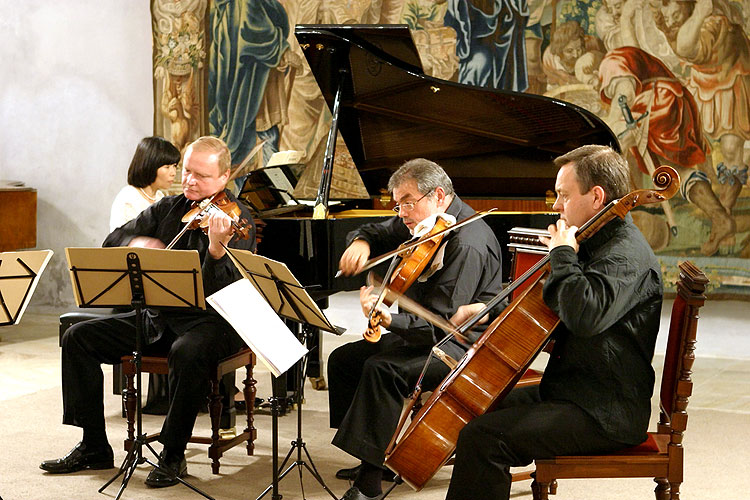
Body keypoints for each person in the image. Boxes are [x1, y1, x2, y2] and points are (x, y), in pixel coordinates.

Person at [445, 145, 663, 500]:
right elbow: (554, 308)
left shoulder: (624, 256)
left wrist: (562, 254)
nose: (556, 206)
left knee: (485, 438)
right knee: (477, 410)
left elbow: (583, 314)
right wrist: (490, 311)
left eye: (563, 195)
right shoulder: (596, 242)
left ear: (596, 197)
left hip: (604, 411)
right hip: (574, 391)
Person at [40, 136, 256, 488]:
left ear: (225, 176)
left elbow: (226, 291)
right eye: (187, 171)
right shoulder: (167, 208)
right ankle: (93, 444)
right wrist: (134, 243)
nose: (189, 181)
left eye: (201, 175)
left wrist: (216, 252)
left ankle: (173, 454)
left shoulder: (237, 220)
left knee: (187, 351)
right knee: (78, 337)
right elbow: (113, 240)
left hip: (211, 324)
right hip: (159, 319)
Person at [330, 158, 504, 500]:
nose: (401, 212)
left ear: (438, 195)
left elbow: (443, 324)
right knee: (344, 359)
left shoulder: (467, 243)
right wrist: (361, 241)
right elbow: (380, 230)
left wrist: (389, 318)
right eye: (397, 204)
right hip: (424, 331)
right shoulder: (424, 219)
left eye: (407, 202)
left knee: (383, 370)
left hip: (460, 343)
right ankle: (372, 449)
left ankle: (369, 479)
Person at [109, 136, 180, 232]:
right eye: (167, 167)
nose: (173, 173)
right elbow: (121, 239)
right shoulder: (129, 197)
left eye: (174, 166)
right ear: (150, 166)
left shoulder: (159, 196)